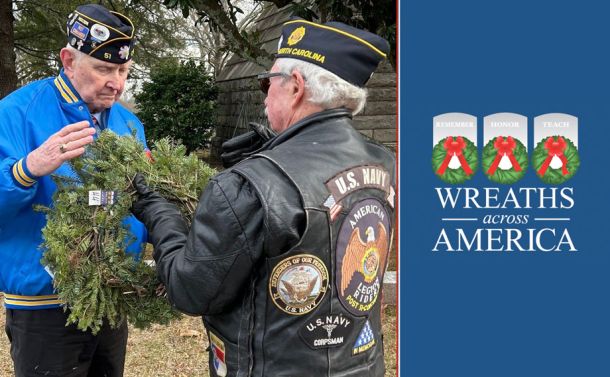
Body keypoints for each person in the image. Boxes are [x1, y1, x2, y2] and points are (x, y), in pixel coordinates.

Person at [132, 19, 396, 377]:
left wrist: (158, 211)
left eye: (266, 83)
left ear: (296, 88)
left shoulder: (251, 184)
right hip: (361, 365)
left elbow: (190, 289)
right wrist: (273, 152)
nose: (263, 95)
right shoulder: (383, 160)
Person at [0, 4, 147, 376]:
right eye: (103, 69)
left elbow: (137, 204)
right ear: (68, 60)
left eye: (123, 70)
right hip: (43, 305)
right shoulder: (15, 112)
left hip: (111, 298)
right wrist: (27, 169)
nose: (116, 82)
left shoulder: (129, 124)